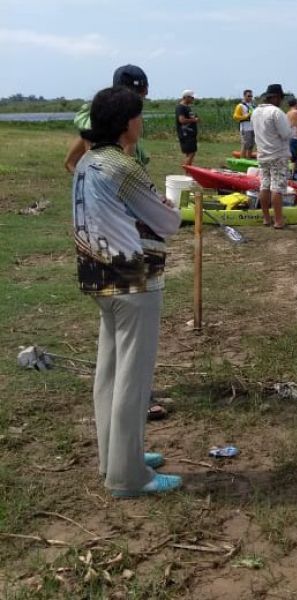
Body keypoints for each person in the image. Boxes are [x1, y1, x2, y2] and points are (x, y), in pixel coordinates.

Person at [72, 86, 182, 497]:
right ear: (125, 124)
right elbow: (168, 223)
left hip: (97, 277)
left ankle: (118, 457)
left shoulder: (87, 162)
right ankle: (128, 477)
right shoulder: (122, 166)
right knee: (132, 379)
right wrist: (170, 208)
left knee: (110, 372)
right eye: (137, 116)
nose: (140, 122)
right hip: (134, 280)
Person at [64, 64, 150, 173]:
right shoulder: (104, 125)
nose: (146, 93)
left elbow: (70, 162)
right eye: (142, 90)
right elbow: (115, 173)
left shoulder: (102, 122)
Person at [250, 84, 292, 229]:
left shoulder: (255, 112)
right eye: (280, 97)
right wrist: (294, 128)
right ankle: (279, 221)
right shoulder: (276, 112)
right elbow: (286, 134)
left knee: (265, 185)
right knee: (277, 187)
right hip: (278, 155)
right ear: (274, 97)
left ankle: (266, 218)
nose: (281, 101)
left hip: (262, 155)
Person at [175, 89, 200, 166]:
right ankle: (186, 171)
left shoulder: (188, 107)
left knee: (190, 153)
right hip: (186, 134)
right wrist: (193, 120)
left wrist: (196, 119)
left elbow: (190, 118)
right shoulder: (180, 107)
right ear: (186, 97)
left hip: (191, 134)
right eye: (192, 98)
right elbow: (181, 120)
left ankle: (188, 172)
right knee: (191, 153)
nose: (193, 99)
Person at [232, 89, 256, 158]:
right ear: (244, 96)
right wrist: (246, 116)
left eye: (251, 96)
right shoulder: (240, 106)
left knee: (251, 145)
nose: (250, 97)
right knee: (245, 145)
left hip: (253, 127)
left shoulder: (253, 105)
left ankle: (248, 159)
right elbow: (235, 116)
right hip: (245, 128)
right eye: (248, 96)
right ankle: (242, 160)